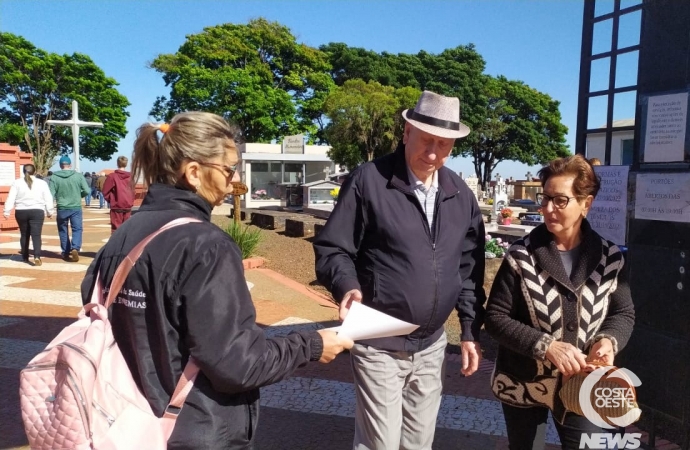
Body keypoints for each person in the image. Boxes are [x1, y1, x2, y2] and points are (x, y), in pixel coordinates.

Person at [80, 111, 353, 449]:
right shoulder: (206, 246)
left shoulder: (124, 236)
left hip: (123, 421)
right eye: (227, 170)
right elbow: (237, 364)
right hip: (196, 429)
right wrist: (312, 345)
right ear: (194, 172)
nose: (233, 181)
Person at [313, 91, 486, 450]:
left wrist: (469, 330)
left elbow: (468, 271)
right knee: (381, 444)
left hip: (432, 345)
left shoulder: (460, 194)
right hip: (378, 339)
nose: (434, 153)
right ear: (407, 132)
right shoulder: (368, 181)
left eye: (444, 144)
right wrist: (347, 285)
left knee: (418, 444)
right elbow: (334, 247)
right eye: (426, 141)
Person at [485, 154, 635, 450]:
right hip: (524, 382)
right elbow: (495, 317)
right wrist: (547, 346)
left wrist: (608, 341)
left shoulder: (610, 258)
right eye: (545, 198)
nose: (548, 209)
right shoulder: (521, 256)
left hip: (584, 382)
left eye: (561, 200)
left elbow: (623, 312)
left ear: (586, 204)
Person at [3, 164, 54, 266]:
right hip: (37, 211)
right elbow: (48, 198)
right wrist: (50, 211)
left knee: (24, 234)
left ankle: (25, 256)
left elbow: (11, 197)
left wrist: (6, 211)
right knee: (36, 235)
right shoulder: (42, 183)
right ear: (34, 172)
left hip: (21, 211)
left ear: (23, 171)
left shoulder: (17, 183)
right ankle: (37, 256)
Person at [49, 155, 90, 262]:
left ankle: (65, 251)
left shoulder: (54, 177)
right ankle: (75, 247)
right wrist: (79, 195)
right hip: (75, 206)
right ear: (70, 165)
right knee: (77, 229)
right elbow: (87, 190)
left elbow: (51, 194)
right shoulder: (78, 176)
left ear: (60, 165)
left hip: (62, 207)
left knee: (63, 230)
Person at [102, 156, 135, 232]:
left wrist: (111, 199)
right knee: (127, 229)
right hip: (127, 204)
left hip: (117, 205)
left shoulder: (112, 176)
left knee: (116, 230)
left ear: (117, 164)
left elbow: (105, 191)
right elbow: (133, 190)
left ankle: (117, 243)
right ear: (126, 164)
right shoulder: (131, 177)